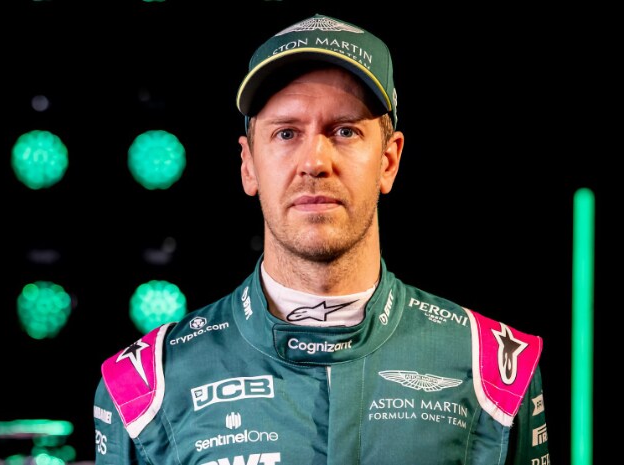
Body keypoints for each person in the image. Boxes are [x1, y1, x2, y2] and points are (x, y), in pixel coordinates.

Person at [92, 13, 549, 465]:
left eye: (345, 131)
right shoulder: (144, 387)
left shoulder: (496, 370)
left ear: (388, 161)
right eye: (286, 133)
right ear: (248, 165)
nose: (314, 162)